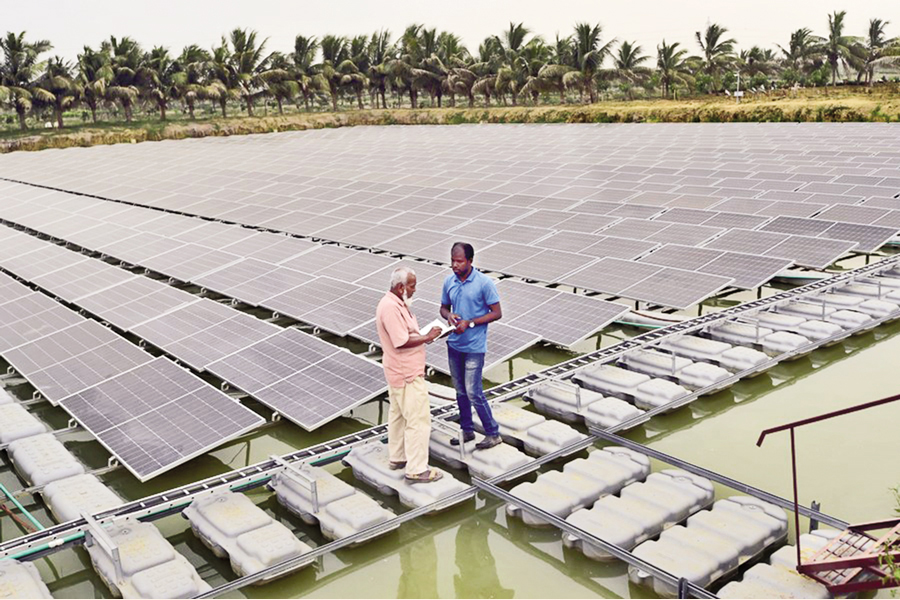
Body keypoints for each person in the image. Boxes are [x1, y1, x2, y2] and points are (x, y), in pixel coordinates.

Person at [375, 266, 444, 483]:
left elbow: (406, 334)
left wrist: (427, 336)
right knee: (418, 419)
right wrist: (427, 337)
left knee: (398, 414)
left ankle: (398, 457)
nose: (415, 290)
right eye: (412, 285)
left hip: (398, 371)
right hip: (406, 373)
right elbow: (401, 341)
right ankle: (416, 469)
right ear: (400, 287)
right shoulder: (391, 308)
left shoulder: (397, 304)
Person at [440, 242, 503, 450]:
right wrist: (449, 316)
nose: (455, 265)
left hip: (474, 346)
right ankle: (467, 431)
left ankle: (493, 433)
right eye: (452, 261)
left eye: (459, 261)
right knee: (459, 390)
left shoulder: (484, 283)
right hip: (454, 344)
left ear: (470, 261)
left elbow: (496, 312)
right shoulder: (449, 281)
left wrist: (471, 322)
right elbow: (443, 307)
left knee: (473, 391)